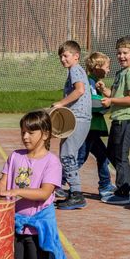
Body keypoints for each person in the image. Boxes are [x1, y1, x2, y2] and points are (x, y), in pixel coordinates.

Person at [0, 110, 65, 259]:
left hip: (37, 228)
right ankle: (24, 258)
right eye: (23, 132)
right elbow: (3, 183)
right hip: (14, 226)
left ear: (45, 135)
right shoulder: (15, 156)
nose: (25, 137)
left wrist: (16, 191)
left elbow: (44, 193)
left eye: (30, 133)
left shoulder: (52, 162)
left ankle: (35, 258)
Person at [97, 36, 130, 205]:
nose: (121, 56)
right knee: (112, 154)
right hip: (118, 120)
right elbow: (114, 94)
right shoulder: (120, 73)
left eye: (125, 53)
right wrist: (104, 90)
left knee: (120, 156)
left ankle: (124, 192)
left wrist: (111, 101)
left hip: (127, 120)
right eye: (119, 53)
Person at [52, 40, 91, 210]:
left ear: (76, 56)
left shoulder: (75, 69)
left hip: (78, 118)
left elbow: (80, 90)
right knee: (66, 153)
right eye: (61, 56)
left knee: (68, 155)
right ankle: (68, 190)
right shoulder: (75, 70)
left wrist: (61, 103)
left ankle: (77, 194)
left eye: (65, 55)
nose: (62, 59)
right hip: (76, 118)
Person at [79, 52, 115, 199]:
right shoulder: (89, 82)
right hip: (89, 126)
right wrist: (109, 103)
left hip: (93, 127)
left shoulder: (96, 83)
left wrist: (105, 94)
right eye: (107, 67)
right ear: (97, 67)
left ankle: (105, 185)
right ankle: (58, 182)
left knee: (103, 155)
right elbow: (92, 103)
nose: (108, 70)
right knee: (80, 157)